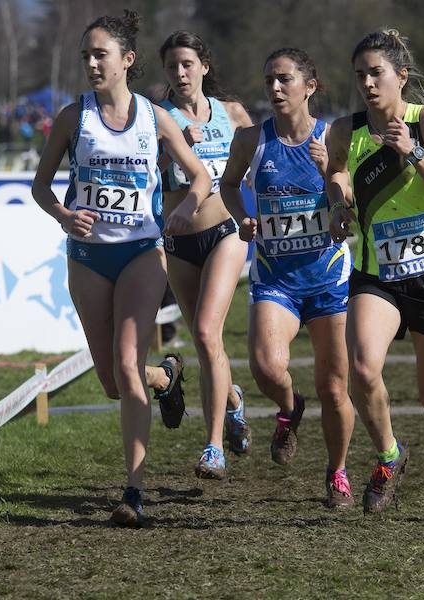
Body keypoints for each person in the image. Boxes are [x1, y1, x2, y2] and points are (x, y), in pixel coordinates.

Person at [31, 11, 211, 526]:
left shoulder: (155, 118)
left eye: (99, 54)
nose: (90, 63)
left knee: (126, 368)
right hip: (88, 257)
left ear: (126, 60)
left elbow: (199, 177)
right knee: (112, 381)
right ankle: (167, 376)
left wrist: (182, 209)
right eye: (85, 55)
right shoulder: (73, 117)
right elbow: (41, 186)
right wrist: (64, 215)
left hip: (141, 252)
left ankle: (133, 491)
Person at [327, 29, 424, 524]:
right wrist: (338, 203)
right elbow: (338, 177)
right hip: (377, 275)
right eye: (360, 74)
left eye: (376, 73)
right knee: (362, 370)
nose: (367, 82)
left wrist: (413, 153)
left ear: (400, 77)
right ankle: (389, 454)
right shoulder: (346, 130)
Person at [220, 48, 356, 509]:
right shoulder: (250, 140)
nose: (274, 89)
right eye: (269, 81)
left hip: (329, 279)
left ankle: (337, 471)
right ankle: (289, 407)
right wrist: (243, 217)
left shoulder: (333, 136)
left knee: (335, 387)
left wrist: (328, 173)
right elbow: (228, 185)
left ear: (309, 87)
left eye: (284, 80)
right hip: (275, 278)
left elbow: (346, 200)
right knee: (264, 366)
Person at [157, 31, 253, 480]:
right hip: (179, 240)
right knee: (204, 341)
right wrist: (169, 146)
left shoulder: (232, 113)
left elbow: (265, 155)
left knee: (206, 329)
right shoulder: (159, 118)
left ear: (204, 67)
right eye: (173, 66)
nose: (180, 73)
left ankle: (213, 446)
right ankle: (232, 401)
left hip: (225, 232)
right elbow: (143, 171)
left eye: (187, 64)